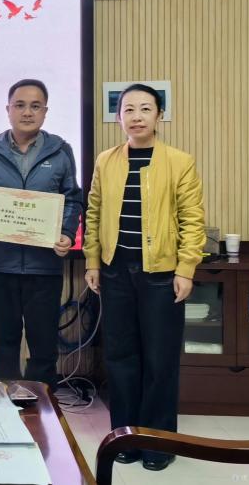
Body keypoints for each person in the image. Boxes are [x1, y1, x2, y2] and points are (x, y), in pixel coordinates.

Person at [84, 83, 205, 472]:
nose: (136, 117)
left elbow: (192, 219)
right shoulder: (106, 160)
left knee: (160, 359)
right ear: (119, 116)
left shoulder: (179, 161)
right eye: (128, 110)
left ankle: (158, 442)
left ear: (159, 115)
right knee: (120, 356)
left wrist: (186, 269)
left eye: (145, 109)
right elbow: (94, 213)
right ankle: (126, 435)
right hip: (115, 269)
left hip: (161, 272)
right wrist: (92, 261)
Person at [0, 79, 83, 389]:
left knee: (43, 346)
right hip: (0, 265)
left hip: (44, 265)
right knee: (4, 343)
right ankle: (7, 406)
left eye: (35, 106)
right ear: (8, 110)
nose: (27, 112)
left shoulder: (61, 151)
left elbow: (72, 199)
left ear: (45, 112)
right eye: (20, 105)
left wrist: (67, 233)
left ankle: (43, 408)